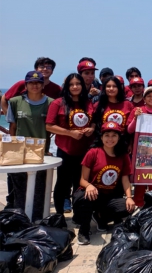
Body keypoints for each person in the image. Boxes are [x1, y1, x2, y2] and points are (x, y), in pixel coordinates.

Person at [73, 121, 136, 245]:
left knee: (127, 208)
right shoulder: (93, 152)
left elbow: (125, 178)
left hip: (109, 196)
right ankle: (84, 231)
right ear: (101, 137)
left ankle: (100, 216)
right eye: (107, 135)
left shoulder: (123, 155)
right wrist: (89, 185)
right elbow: (82, 180)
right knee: (87, 197)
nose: (110, 139)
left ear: (119, 138)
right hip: (91, 194)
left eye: (114, 135)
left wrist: (129, 197)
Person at [6, 71, 53, 221]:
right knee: (19, 187)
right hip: (19, 152)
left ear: (42, 85)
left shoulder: (51, 103)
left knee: (39, 187)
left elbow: (52, 128)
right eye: (31, 83)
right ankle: (20, 219)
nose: (35, 85)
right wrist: (11, 149)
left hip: (41, 153)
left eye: (38, 82)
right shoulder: (14, 102)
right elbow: (12, 127)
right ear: (25, 85)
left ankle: (37, 219)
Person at [46, 73, 96, 214]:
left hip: (84, 150)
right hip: (65, 150)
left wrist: (91, 129)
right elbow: (49, 126)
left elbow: (93, 121)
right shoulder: (58, 103)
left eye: (78, 84)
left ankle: (78, 215)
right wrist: (70, 133)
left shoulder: (88, 102)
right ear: (67, 86)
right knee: (62, 184)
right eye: (71, 84)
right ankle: (59, 215)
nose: (75, 87)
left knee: (80, 184)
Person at [126, 86, 152, 208]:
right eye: (149, 96)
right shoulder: (137, 110)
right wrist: (135, 118)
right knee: (141, 178)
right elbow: (129, 130)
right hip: (140, 150)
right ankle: (138, 202)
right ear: (144, 98)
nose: (151, 98)